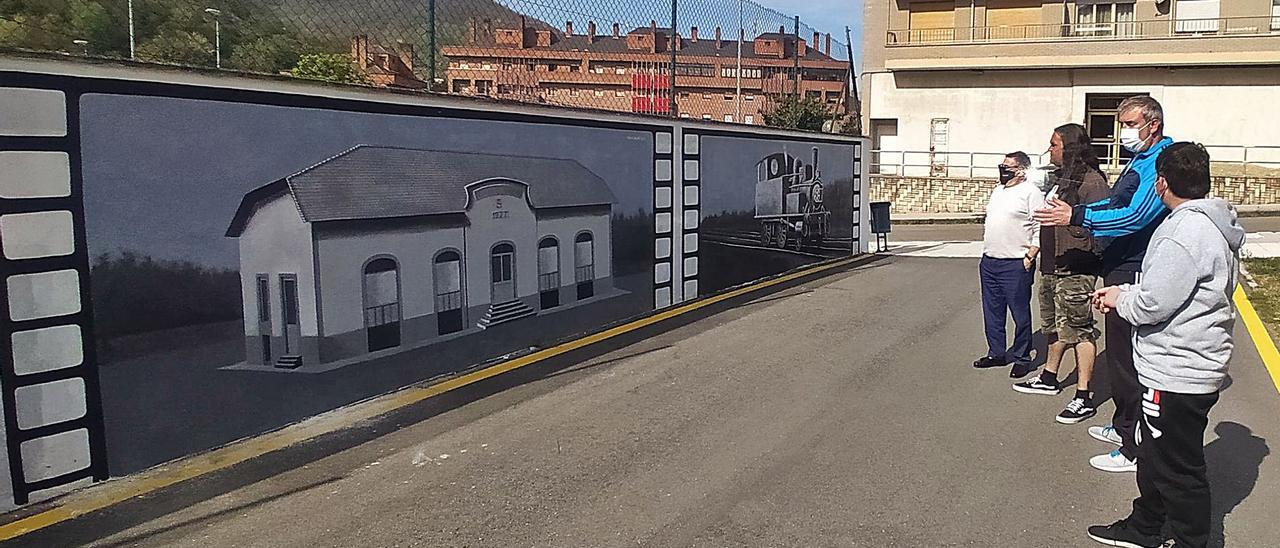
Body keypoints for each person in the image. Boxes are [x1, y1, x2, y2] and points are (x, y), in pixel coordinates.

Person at [1086, 142, 1242, 548]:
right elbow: (1175, 290)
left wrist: (1120, 299)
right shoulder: (1213, 225)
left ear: (1161, 183)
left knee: (1177, 467)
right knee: (1155, 456)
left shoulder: (1181, 232)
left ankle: (1192, 540)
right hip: (1190, 362)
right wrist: (1127, 292)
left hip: (1177, 369)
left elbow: (1154, 303)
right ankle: (1145, 526)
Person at [1035, 96, 1173, 473]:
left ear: (1153, 124)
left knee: (1129, 361)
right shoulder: (1141, 159)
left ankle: (1133, 448)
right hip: (1118, 265)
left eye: (1130, 124)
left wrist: (1077, 216)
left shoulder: (1161, 160)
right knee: (1118, 355)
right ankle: (1124, 425)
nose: (1123, 132)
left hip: (1134, 268)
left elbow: (1135, 215)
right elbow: (1115, 205)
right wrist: (1075, 216)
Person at [1012, 124, 1110, 425]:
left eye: (1054, 144)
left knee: (1079, 330)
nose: (1049, 149)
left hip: (1076, 268)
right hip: (1052, 265)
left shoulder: (1092, 183)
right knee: (1053, 326)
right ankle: (1050, 377)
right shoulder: (1060, 180)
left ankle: (1084, 396)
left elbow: (1103, 229)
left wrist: (1076, 235)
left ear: (1070, 147)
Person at [975, 152, 1042, 379]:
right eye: (1002, 165)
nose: (1003, 170)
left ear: (1021, 170)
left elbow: (1039, 227)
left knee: (1020, 312)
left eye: (1008, 167)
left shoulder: (1031, 193)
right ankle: (996, 353)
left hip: (1016, 263)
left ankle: (1022, 357)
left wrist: (1030, 256)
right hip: (990, 260)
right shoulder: (998, 191)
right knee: (992, 311)